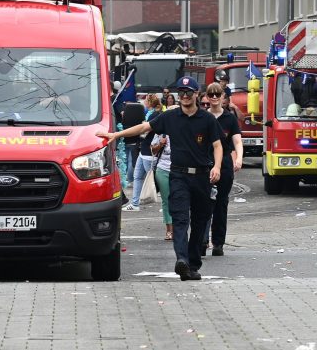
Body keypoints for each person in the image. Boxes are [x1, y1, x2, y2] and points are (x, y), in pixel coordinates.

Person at [96, 76, 222, 281]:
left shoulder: (207, 119)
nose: (184, 96)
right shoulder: (170, 117)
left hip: (201, 176)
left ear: (197, 94)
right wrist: (115, 135)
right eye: (180, 93)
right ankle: (182, 260)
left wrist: (217, 167)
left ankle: (192, 264)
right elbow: (144, 127)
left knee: (200, 222)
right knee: (180, 219)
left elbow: (217, 145)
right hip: (179, 175)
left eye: (188, 93)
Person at [202, 83, 243, 257]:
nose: (214, 97)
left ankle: (218, 243)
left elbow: (237, 141)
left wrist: (239, 158)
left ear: (223, 97)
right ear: (207, 97)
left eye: (217, 94)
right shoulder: (202, 117)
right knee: (203, 204)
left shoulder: (229, 118)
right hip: (204, 163)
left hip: (225, 164)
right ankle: (202, 241)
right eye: (211, 94)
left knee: (220, 204)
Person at [123, 94, 163, 211]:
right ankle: (135, 203)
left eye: (146, 100)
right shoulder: (151, 114)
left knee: (156, 181)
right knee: (137, 176)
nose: (144, 102)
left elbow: (146, 131)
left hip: (149, 152)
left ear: (150, 102)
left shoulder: (155, 115)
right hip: (144, 150)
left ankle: (168, 203)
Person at [151, 132, 173, 241]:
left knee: (181, 199)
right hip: (162, 169)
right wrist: (160, 144)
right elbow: (153, 151)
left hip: (180, 170)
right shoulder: (161, 133)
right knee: (166, 200)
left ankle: (180, 228)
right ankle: (169, 229)